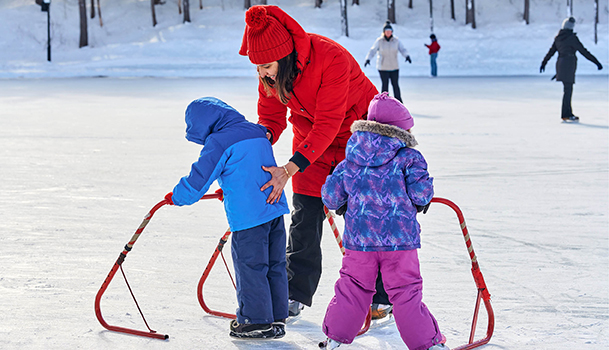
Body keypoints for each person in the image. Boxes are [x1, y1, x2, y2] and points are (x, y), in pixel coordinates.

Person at [238, 5, 381, 318]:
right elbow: (271, 118)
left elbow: (329, 123)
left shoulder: (331, 58)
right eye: (257, 67)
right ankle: (295, 292)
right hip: (310, 146)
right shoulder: (273, 76)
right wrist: (254, 145)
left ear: (285, 56)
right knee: (305, 215)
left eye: (266, 65)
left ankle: (381, 293)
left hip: (356, 140)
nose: (262, 73)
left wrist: (289, 168)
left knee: (363, 216)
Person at [319, 92, 447, 350]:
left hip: (359, 243)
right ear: (400, 130)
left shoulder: (351, 159)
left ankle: (334, 337)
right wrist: (422, 199)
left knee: (352, 288)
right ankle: (427, 344)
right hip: (400, 242)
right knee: (405, 292)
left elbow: (331, 197)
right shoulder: (409, 158)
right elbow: (421, 193)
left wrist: (346, 201)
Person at [165, 97, 290, 339]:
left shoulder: (219, 141)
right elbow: (250, 168)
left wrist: (177, 196)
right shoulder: (257, 131)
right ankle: (276, 318)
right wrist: (230, 187)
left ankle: (254, 321)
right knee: (274, 265)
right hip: (273, 210)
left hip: (249, 217)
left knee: (251, 266)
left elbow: (199, 179)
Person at [540, 17, 603, 122]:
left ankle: (567, 113)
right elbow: (584, 51)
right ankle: (566, 114)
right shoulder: (571, 38)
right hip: (569, 64)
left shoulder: (558, 37)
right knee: (568, 90)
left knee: (567, 89)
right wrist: (596, 62)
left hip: (560, 64)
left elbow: (551, 52)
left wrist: (544, 63)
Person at [364, 20, 411, 102]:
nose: (388, 33)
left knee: (395, 85)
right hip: (383, 67)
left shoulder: (396, 41)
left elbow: (402, 49)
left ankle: (399, 102)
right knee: (385, 86)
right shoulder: (379, 41)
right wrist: (368, 59)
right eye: (387, 31)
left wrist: (407, 56)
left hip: (394, 67)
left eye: (390, 31)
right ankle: (384, 103)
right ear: (384, 32)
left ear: (392, 32)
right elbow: (373, 50)